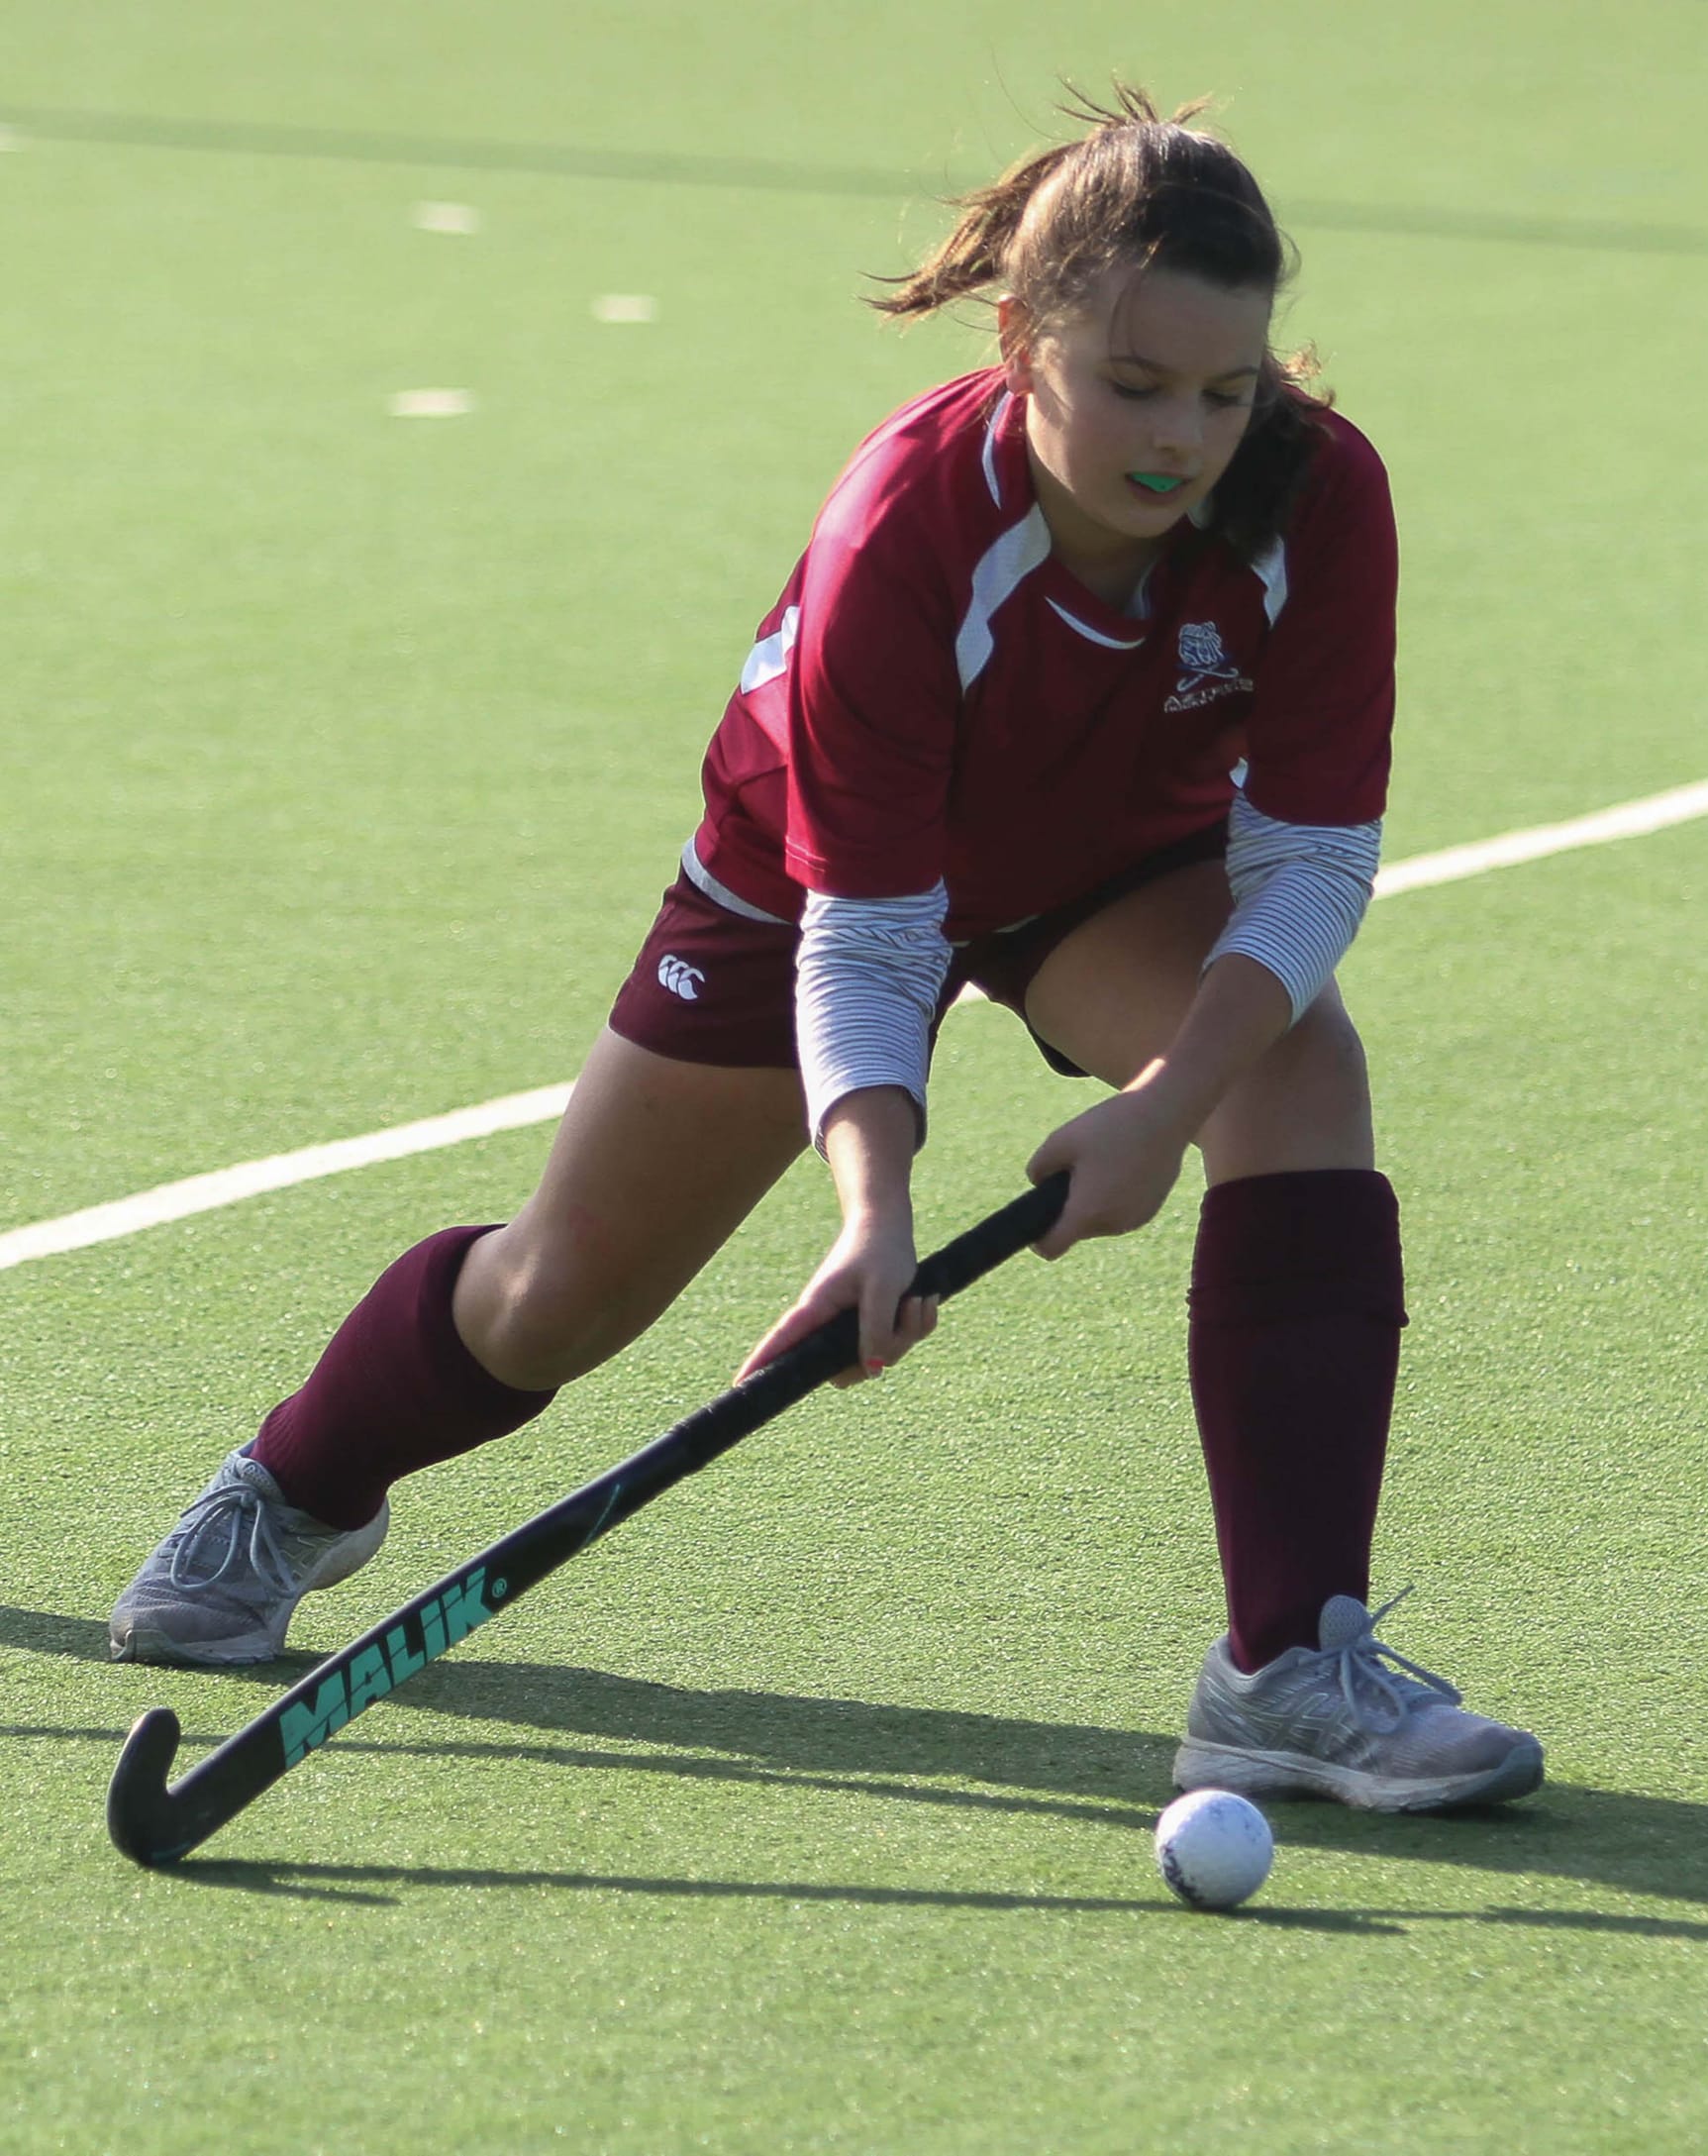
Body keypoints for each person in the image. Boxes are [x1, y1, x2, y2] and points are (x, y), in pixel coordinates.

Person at [111, 86, 1542, 1813]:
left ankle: (1288, 1667)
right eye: (1135, 385)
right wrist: (875, 1209)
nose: (1184, 439)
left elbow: (1309, 861)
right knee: (556, 1296)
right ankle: (295, 1485)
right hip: (813, 870)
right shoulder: (909, 525)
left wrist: (1165, 1105)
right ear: (1020, 342)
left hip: (1112, 857)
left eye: (1226, 391)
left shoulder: (1314, 493)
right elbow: (868, 932)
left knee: (1295, 1072)